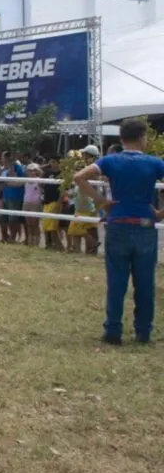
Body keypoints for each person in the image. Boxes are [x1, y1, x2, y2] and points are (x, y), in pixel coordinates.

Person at [75, 119, 164, 346]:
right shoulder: (155, 163)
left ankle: (113, 330)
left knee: (117, 281)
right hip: (144, 225)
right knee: (145, 283)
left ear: (121, 138)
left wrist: (101, 201)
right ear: (143, 137)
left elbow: (79, 177)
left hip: (118, 224)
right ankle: (143, 332)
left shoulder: (110, 160)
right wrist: (160, 213)